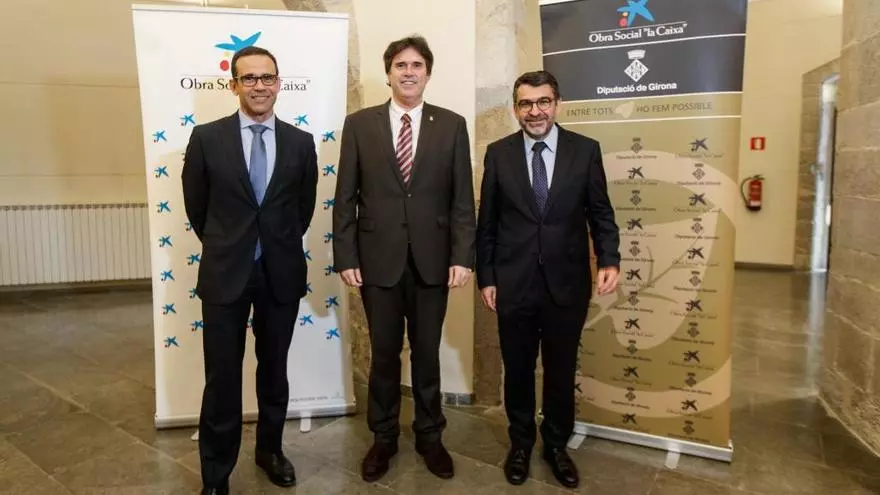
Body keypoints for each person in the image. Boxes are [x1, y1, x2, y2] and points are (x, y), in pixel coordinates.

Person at [332, 35, 476, 482]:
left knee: (427, 353)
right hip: (378, 261)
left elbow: (462, 200)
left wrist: (463, 256)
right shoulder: (360, 124)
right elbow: (345, 197)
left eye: (416, 65)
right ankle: (384, 437)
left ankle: (431, 436)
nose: (408, 72)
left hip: (434, 261)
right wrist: (346, 255)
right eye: (400, 65)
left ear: (427, 73)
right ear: (389, 72)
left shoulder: (451, 125)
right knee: (384, 354)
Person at [182, 46, 318, 495]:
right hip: (225, 273)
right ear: (234, 84)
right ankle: (216, 474)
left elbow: (302, 210)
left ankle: (270, 451)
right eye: (250, 78)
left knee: (274, 370)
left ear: (278, 82)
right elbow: (197, 208)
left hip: (281, 272)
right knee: (222, 377)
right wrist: (231, 244)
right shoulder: (207, 138)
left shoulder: (301, 142)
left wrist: (273, 244)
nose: (260, 86)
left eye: (267, 77)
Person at [475, 70, 620, 489]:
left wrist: (609, 258)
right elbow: (488, 222)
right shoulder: (498, 154)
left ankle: (556, 445)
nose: (534, 111)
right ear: (515, 109)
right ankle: (520, 444)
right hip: (513, 283)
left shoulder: (585, 150)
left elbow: (601, 211)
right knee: (518, 370)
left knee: (560, 371)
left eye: (543, 102)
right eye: (526, 103)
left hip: (566, 284)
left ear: (557, 104)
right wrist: (487, 276)